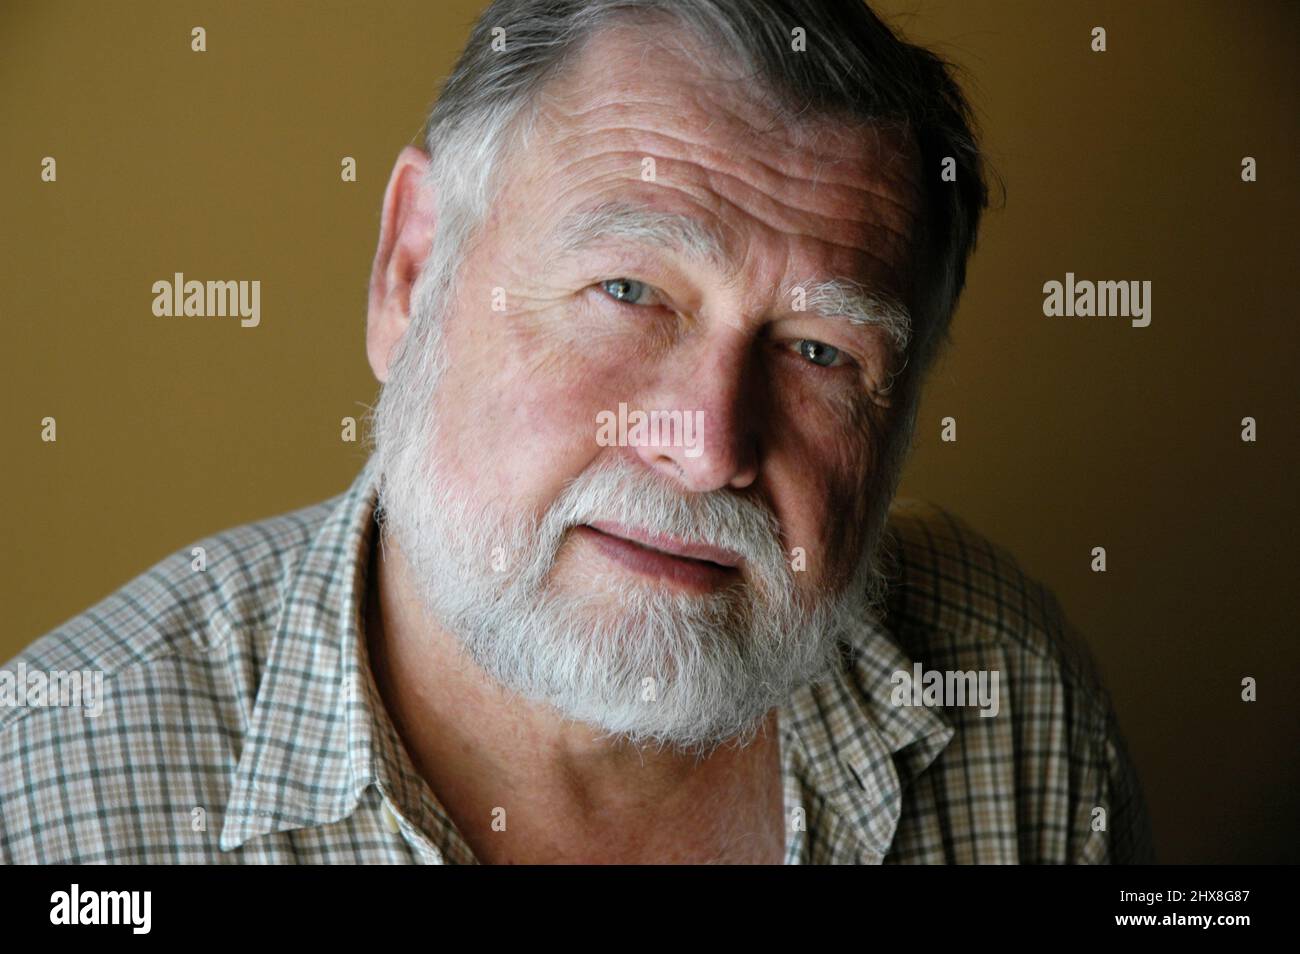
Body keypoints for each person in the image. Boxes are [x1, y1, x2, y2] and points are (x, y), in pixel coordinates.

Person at [0, 0, 1153, 864]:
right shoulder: (53, 794)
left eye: (818, 352)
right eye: (629, 291)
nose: (706, 446)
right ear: (412, 274)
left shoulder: (1009, 688)